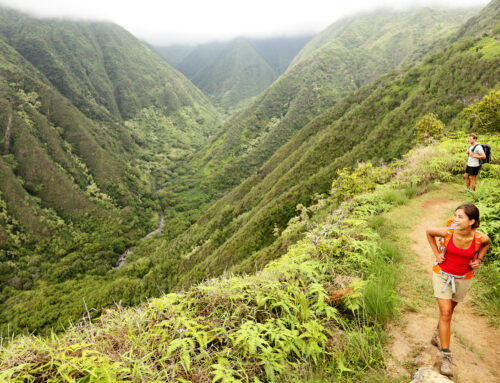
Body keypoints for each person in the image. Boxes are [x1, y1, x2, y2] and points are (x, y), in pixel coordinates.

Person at [426, 204, 490, 377]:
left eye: (460, 217)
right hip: (442, 275)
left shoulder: (479, 238)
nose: (455, 219)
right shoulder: (448, 232)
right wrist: (436, 254)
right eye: (455, 215)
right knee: (446, 312)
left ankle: (438, 333)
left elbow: (486, 243)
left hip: (463, 279)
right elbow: (429, 232)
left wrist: (479, 260)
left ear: (472, 221)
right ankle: (446, 355)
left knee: (450, 310)